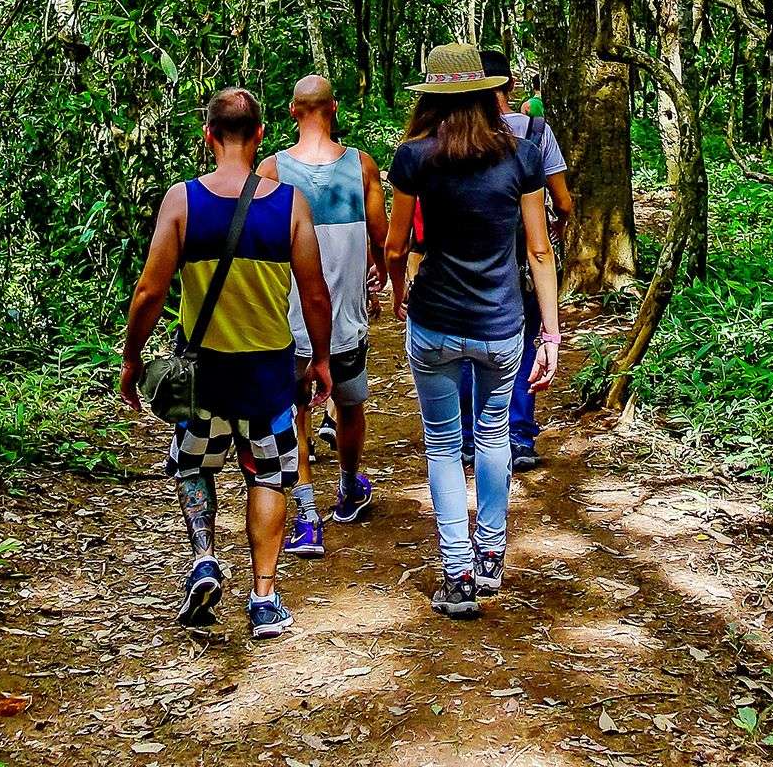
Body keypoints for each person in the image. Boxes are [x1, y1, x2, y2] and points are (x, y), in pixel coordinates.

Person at [121, 88, 332, 640]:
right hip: (267, 374)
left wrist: (132, 357)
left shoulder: (182, 202)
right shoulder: (289, 205)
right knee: (269, 474)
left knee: (194, 465)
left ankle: (205, 561)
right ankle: (263, 597)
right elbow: (314, 296)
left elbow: (149, 292)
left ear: (208, 137)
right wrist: (323, 360)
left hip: (204, 374)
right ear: (261, 135)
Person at [383, 43, 560, 619]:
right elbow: (539, 250)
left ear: (432, 96)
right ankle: (489, 556)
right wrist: (550, 335)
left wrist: (397, 290)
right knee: (491, 435)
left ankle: (455, 572)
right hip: (501, 322)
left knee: (441, 442)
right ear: (488, 91)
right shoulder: (522, 156)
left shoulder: (413, 157)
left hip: (434, 318)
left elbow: (397, 243)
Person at [260, 75, 389, 554]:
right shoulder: (362, 167)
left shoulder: (272, 171)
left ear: (293, 111)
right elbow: (381, 235)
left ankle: (307, 513)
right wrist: (379, 276)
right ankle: (351, 485)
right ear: (332, 109)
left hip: (289, 320)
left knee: (296, 411)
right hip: (345, 320)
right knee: (351, 404)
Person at [452, 49, 575, 472]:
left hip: (467, 258)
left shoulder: (454, 136)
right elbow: (562, 200)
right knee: (523, 344)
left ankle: (469, 438)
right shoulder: (537, 133)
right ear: (509, 86)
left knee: (466, 347)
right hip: (522, 258)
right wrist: (556, 224)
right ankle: (519, 436)